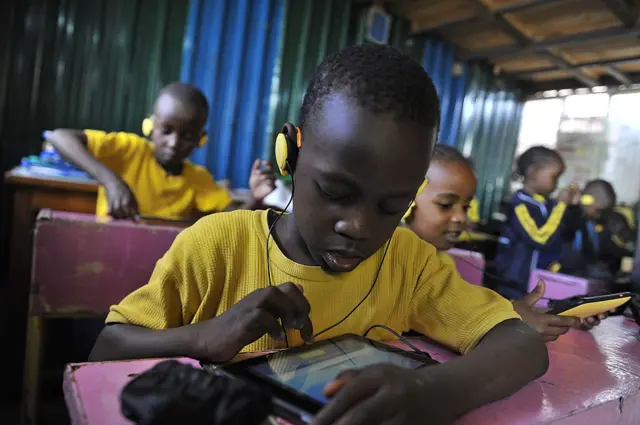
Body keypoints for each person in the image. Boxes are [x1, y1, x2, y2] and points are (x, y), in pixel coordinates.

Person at [89, 44, 548, 424]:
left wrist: (431, 391)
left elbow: (522, 344)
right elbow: (106, 347)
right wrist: (202, 338)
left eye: (393, 206)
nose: (360, 227)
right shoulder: (216, 246)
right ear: (290, 153)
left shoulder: (410, 261)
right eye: (334, 191)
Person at [404, 145, 603, 341]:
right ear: (405, 202)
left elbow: (465, 306)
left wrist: (553, 316)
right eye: (445, 205)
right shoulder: (397, 257)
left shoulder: (440, 263)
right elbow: (443, 317)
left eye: (466, 207)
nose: (460, 218)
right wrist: (508, 320)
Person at [47, 83, 275, 220]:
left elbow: (232, 217)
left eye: (187, 136)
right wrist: (111, 180)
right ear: (150, 127)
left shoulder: (198, 179)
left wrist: (256, 198)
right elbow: (58, 136)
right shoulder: (129, 150)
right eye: (166, 130)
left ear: (200, 140)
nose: (174, 143)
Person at [493, 146, 581, 299]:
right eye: (554, 177)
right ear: (533, 172)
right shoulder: (520, 205)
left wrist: (572, 207)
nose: (556, 183)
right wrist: (560, 206)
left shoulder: (547, 205)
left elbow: (566, 232)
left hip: (537, 283)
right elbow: (540, 238)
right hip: (516, 286)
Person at [563, 180, 634, 278]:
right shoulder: (570, 217)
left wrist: (630, 254)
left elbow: (607, 246)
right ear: (586, 200)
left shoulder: (592, 223)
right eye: (598, 211)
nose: (599, 215)